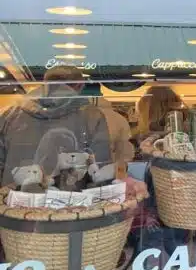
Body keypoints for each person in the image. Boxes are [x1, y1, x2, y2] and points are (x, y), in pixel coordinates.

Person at [0, 66, 132, 185]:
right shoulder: (92, 116)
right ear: (80, 86)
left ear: (45, 84)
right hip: (74, 205)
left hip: (15, 203)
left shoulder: (10, 115)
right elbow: (100, 171)